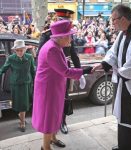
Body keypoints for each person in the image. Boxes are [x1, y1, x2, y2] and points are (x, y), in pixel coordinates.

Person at [92, 4, 131, 150]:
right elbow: (113, 52)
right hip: (125, 83)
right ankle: (125, 145)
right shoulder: (122, 34)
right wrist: (104, 64)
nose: (112, 23)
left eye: (114, 20)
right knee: (124, 120)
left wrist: (117, 70)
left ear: (123, 19)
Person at [32, 20, 92, 150]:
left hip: (55, 86)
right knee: (49, 116)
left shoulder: (56, 46)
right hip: (48, 88)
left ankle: (53, 138)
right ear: (61, 37)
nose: (71, 38)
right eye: (69, 35)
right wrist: (84, 71)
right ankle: (45, 146)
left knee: (55, 114)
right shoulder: (52, 49)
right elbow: (65, 71)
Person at [37, 8, 85, 136]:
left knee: (64, 98)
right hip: (54, 72)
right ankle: (52, 129)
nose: (67, 24)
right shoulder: (48, 35)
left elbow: (74, 54)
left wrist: (79, 72)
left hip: (66, 68)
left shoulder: (68, 34)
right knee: (52, 104)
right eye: (63, 21)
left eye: (68, 21)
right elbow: (40, 56)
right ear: (57, 20)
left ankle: (62, 121)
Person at [0, 40, 35, 132]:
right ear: (15, 50)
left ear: (25, 49)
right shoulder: (11, 58)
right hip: (16, 85)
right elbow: (3, 69)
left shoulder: (29, 57)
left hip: (26, 83)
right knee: (19, 104)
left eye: (21, 50)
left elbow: (33, 70)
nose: (20, 52)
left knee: (25, 104)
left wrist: (37, 82)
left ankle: (22, 120)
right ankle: (22, 118)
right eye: (17, 50)